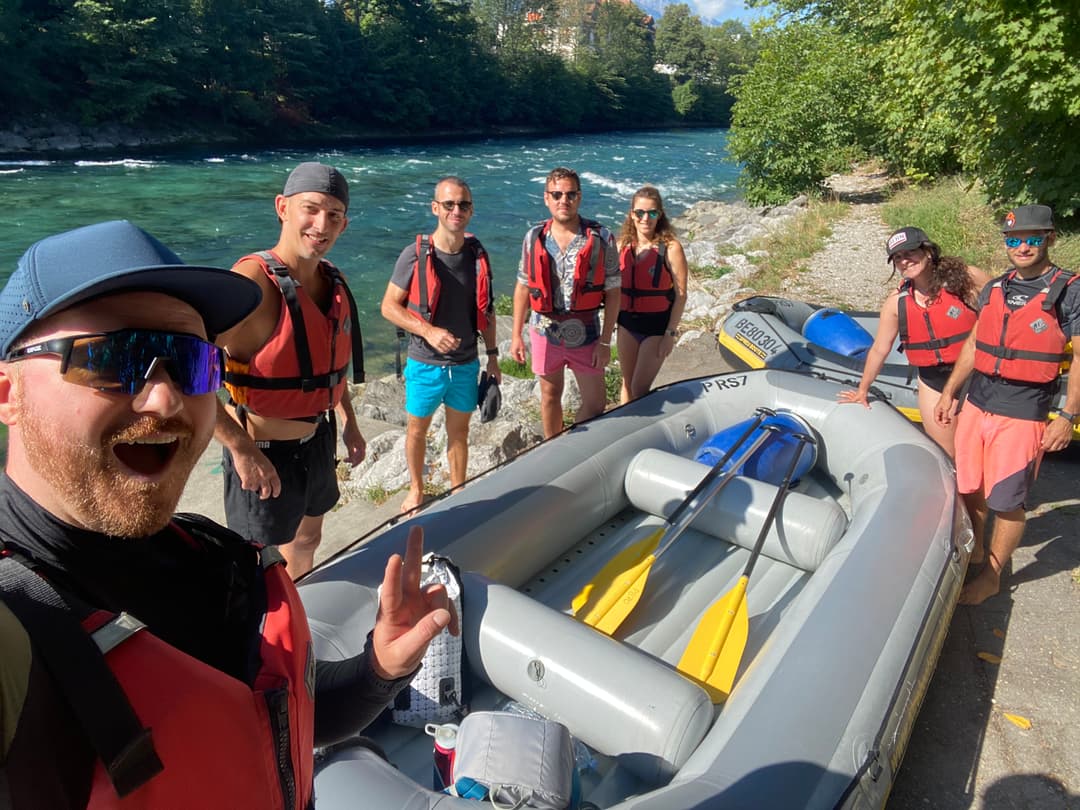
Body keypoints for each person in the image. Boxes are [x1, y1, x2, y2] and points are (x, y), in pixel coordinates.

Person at [0, 221, 455, 807]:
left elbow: (276, 730)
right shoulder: (14, 625)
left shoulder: (218, 561)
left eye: (189, 363)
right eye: (113, 357)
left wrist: (378, 669)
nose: (163, 398)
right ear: (8, 393)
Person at [215, 161, 367, 578]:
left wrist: (349, 422)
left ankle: (300, 604)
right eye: (311, 209)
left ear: (344, 225)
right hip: (263, 451)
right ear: (282, 207)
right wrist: (239, 448)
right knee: (256, 563)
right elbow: (184, 374)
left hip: (318, 438)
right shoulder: (251, 283)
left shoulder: (332, 280)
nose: (322, 225)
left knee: (307, 538)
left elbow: (326, 364)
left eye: (333, 216)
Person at [933, 205, 1080, 605]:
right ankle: (976, 548)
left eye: (1032, 238)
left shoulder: (1069, 290)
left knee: (1008, 500)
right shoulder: (997, 287)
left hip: (1023, 408)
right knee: (972, 486)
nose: (1022, 246)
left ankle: (993, 576)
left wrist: (1067, 415)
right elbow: (975, 342)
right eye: (1014, 239)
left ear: (1050, 237)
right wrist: (950, 390)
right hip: (979, 399)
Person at [380, 176, 499, 513]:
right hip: (425, 363)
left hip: (465, 364)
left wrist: (492, 357)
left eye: (463, 204)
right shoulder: (414, 255)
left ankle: (458, 492)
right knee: (417, 430)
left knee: (458, 433)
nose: (456, 210)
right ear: (436, 208)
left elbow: (486, 309)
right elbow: (389, 306)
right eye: (449, 204)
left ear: (471, 209)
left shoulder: (477, 254)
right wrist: (429, 331)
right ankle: (416, 490)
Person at [839, 226, 989, 457]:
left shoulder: (966, 278)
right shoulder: (895, 303)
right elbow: (880, 349)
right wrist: (862, 389)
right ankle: (956, 493)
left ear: (927, 252)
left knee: (981, 449)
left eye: (909, 252)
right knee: (948, 455)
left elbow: (1006, 303)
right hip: (933, 380)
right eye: (897, 258)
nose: (904, 261)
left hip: (976, 372)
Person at [510, 167, 620, 438]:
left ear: (579, 197)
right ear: (546, 198)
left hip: (587, 332)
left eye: (570, 194)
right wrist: (515, 336)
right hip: (544, 330)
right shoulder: (533, 237)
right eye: (557, 194)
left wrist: (606, 341)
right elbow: (523, 285)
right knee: (549, 396)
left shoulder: (602, 238)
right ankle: (551, 449)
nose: (564, 200)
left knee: (596, 404)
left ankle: (573, 441)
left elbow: (615, 292)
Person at [615, 185, 689, 403]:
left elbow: (681, 295)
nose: (645, 218)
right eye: (639, 213)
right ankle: (628, 430)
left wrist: (670, 334)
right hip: (627, 324)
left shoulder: (671, 248)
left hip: (656, 327)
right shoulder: (621, 246)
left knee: (639, 388)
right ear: (632, 214)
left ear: (660, 215)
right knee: (627, 384)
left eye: (652, 213)